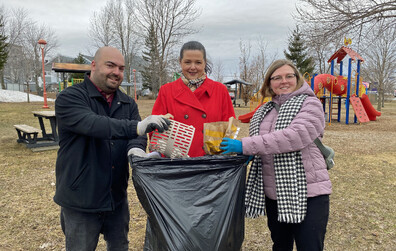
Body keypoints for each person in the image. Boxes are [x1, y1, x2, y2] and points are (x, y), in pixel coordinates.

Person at [54, 46, 170, 251]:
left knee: (119, 246)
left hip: (116, 197)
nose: (116, 72)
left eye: (121, 68)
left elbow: (136, 136)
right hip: (81, 198)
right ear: (93, 65)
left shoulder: (127, 103)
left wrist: (135, 149)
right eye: (110, 65)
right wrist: (136, 127)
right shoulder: (70, 98)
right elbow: (94, 124)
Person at [220, 59, 332, 251]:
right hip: (274, 194)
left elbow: (294, 136)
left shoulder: (310, 104)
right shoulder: (265, 110)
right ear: (269, 83)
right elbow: (262, 143)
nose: (284, 81)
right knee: (280, 246)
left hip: (309, 193)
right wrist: (248, 155)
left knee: (310, 246)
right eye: (277, 77)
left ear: (297, 79)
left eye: (289, 76)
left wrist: (245, 145)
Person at [151, 41, 235, 157]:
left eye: (198, 62)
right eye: (187, 62)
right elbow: (155, 129)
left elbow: (229, 130)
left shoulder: (220, 90)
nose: (193, 67)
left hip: (211, 166)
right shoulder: (166, 91)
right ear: (180, 62)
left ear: (205, 63)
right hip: (176, 165)